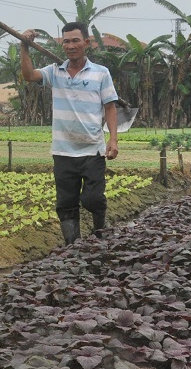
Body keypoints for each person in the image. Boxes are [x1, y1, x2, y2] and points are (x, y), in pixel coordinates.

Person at [19, 22, 119, 245]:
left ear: (87, 43)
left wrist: (113, 139)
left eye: (75, 40)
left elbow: (110, 107)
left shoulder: (101, 73)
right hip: (63, 151)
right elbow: (28, 75)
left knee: (93, 198)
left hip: (92, 149)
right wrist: (24, 47)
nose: (71, 45)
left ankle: (99, 232)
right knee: (66, 202)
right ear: (62, 44)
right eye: (66, 41)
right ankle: (72, 248)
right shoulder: (55, 72)